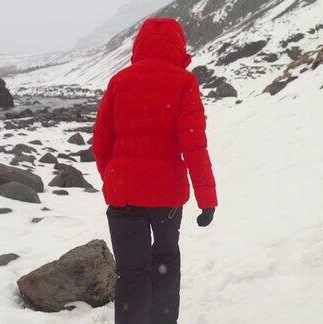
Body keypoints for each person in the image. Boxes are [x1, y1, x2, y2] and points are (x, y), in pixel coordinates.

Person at [92, 17, 218, 324]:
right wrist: (207, 198)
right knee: (165, 263)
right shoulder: (183, 82)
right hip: (166, 198)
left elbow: (101, 141)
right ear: (179, 47)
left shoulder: (119, 81)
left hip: (124, 198)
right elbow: (194, 147)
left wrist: (114, 178)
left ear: (138, 45)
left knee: (131, 273)